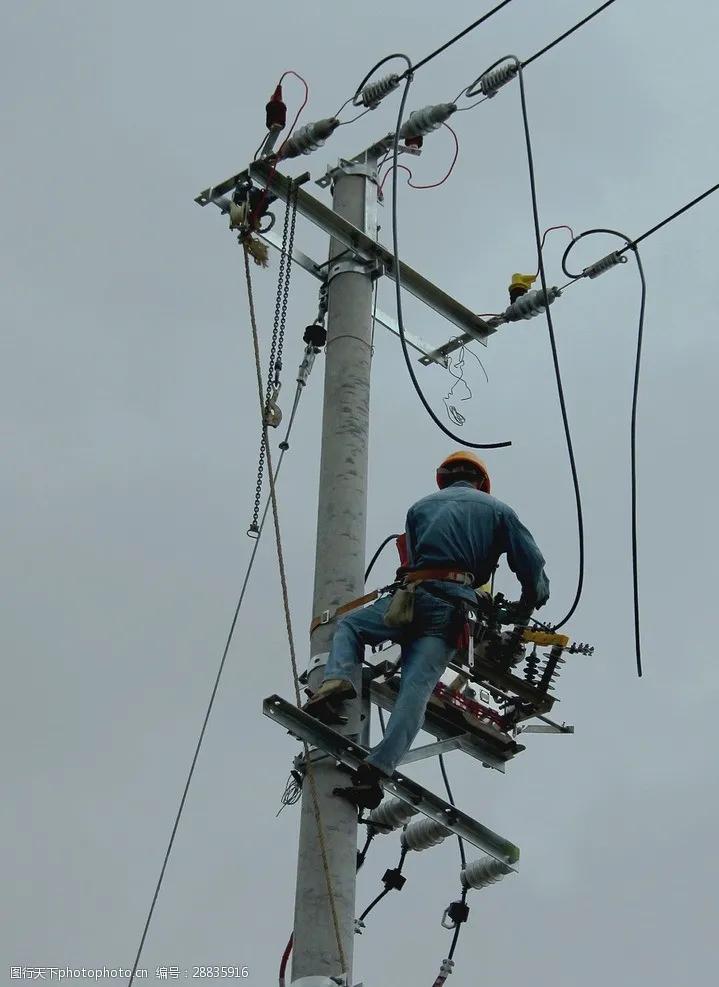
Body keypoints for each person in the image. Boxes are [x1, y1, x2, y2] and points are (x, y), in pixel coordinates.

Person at [303, 451, 550, 808]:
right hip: (451, 608)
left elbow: (413, 560)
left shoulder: (419, 508)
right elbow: (532, 565)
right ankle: (376, 770)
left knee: (351, 628)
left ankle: (336, 680)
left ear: (444, 478)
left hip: (409, 598)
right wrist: (528, 603)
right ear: (481, 483)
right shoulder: (497, 510)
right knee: (415, 690)